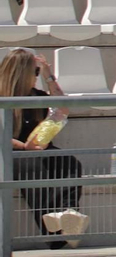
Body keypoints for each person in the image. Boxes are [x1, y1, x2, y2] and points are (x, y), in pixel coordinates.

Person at [1, 50, 89, 245]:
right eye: (36, 72)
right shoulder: (2, 96)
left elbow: (62, 108)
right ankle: (55, 234)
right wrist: (23, 146)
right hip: (10, 152)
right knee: (33, 168)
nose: (37, 77)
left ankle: (68, 213)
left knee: (68, 162)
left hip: (36, 149)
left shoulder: (37, 96)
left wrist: (50, 77)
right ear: (22, 73)